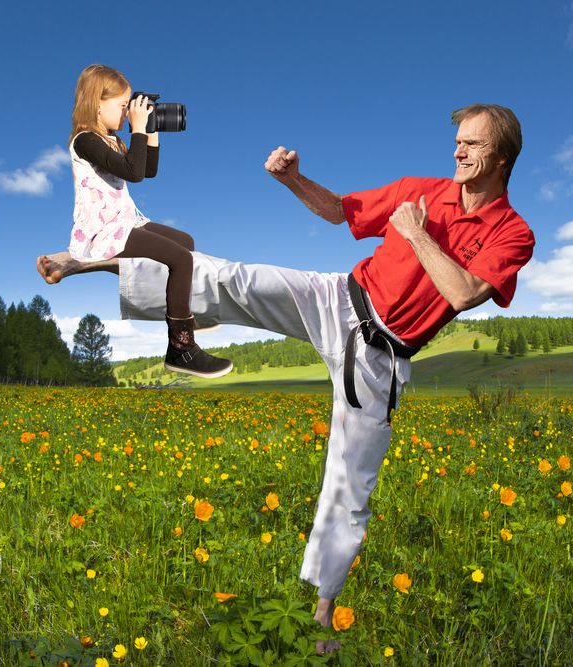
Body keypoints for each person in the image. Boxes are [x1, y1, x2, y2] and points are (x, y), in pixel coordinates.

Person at [60, 103, 534, 654]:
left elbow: (463, 293)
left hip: (382, 357)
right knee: (238, 280)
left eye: (472, 144)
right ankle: (97, 260)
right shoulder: (422, 190)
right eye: (457, 140)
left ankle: (323, 613)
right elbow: (340, 211)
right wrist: (292, 180)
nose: (458, 151)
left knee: (350, 487)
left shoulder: (513, 233)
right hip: (339, 299)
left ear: (501, 156)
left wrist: (416, 235)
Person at [37, 64, 232, 379]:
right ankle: (181, 349)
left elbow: (147, 170)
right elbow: (133, 173)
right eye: (122, 106)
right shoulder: (85, 140)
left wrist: (149, 131)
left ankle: (178, 310)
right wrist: (138, 129)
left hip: (125, 220)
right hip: (103, 229)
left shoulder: (111, 139)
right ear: (97, 104)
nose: (127, 113)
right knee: (180, 260)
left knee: (186, 244)